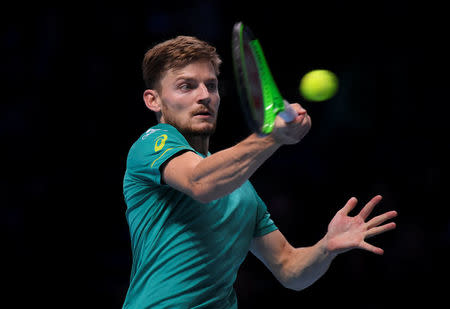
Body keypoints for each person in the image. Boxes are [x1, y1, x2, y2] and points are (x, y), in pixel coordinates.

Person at [122, 35, 397, 308]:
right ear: (153, 100)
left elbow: (289, 269)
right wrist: (272, 136)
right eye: (186, 86)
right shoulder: (150, 145)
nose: (205, 96)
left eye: (211, 85)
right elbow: (199, 182)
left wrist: (326, 248)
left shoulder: (240, 189)